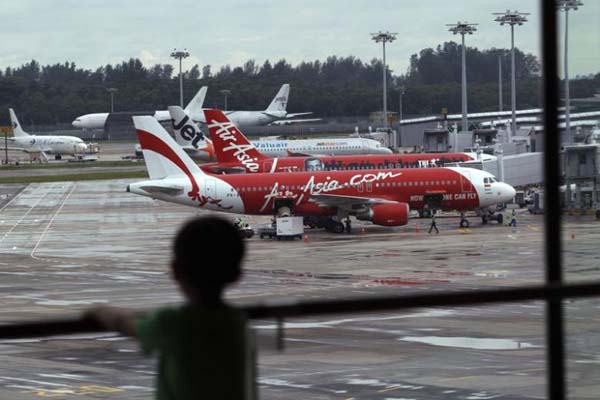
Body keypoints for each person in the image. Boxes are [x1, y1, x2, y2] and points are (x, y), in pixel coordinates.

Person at [85, 216, 253, 400]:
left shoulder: (172, 322)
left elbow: (122, 323)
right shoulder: (237, 322)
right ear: (237, 275)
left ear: (175, 270)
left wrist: (98, 311)